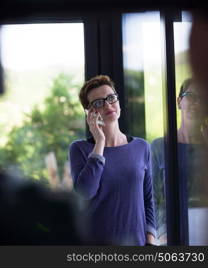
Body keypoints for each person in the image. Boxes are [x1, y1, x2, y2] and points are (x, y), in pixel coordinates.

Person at [69, 75, 156, 245]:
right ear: (89, 113)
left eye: (111, 98)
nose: (108, 105)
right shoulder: (79, 149)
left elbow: (148, 199)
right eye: (99, 103)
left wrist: (150, 241)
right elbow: (85, 193)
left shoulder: (141, 147)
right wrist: (100, 142)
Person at [151, 78, 208, 245]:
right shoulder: (160, 147)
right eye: (190, 95)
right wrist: (162, 234)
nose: (195, 103)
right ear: (179, 101)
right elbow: (153, 196)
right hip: (171, 235)